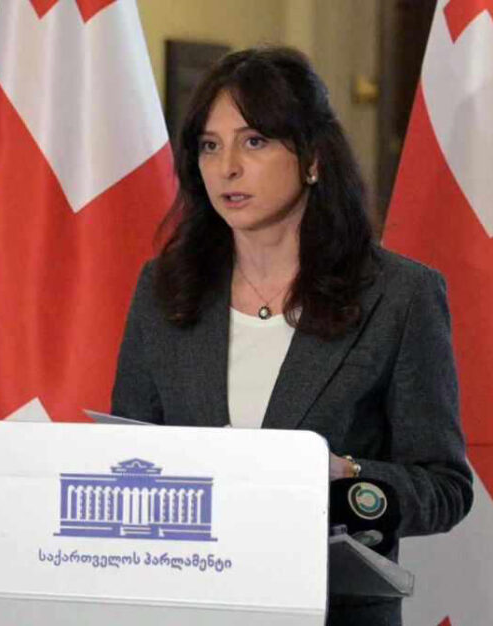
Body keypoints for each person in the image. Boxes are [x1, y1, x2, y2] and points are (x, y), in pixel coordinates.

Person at [111, 46, 472, 626]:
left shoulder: (400, 296)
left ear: (312, 158)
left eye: (254, 141)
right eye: (209, 145)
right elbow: (126, 458)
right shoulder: (164, 288)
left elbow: (444, 488)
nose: (227, 167)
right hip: (191, 607)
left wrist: (346, 475)